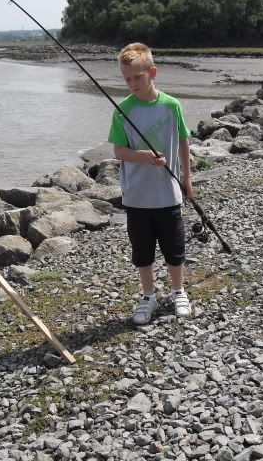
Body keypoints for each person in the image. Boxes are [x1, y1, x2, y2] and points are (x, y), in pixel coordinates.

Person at [108, 42, 193, 325]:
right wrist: (143, 156)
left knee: (174, 246)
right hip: (136, 197)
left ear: (152, 72)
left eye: (138, 77)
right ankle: (148, 296)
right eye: (127, 79)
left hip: (168, 193)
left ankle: (178, 291)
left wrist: (187, 178)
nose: (132, 84)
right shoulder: (122, 110)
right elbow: (119, 151)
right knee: (142, 251)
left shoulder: (171, 105)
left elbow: (183, 140)